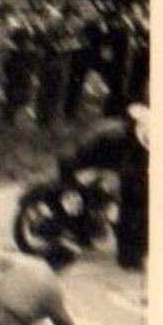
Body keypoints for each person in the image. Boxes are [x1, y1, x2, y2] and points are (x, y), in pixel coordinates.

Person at [56, 103, 150, 271]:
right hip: (77, 161)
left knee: (103, 192)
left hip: (75, 156)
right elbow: (116, 166)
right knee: (102, 192)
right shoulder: (119, 138)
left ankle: (84, 231)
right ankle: (82, 229)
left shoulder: (117, 129)